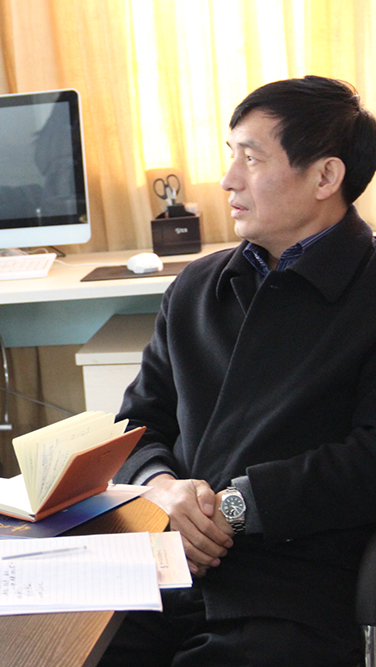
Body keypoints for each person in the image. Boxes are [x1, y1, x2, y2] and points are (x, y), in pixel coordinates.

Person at [102, 76, 376, 666]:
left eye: (251, 158)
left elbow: (369, 458)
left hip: (291, 590)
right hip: (161, 568)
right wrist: (162, 489)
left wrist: (236, 506)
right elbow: (135, 424)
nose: (228, 180)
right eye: (231, 155)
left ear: (326, 177)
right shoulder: (197, 287)